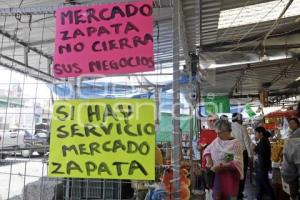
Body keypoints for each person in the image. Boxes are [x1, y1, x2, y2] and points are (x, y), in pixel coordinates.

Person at [204, 119, 244, 200]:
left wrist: (221, 166)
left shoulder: (236, 144)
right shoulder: (218, 140)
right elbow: (207, 149)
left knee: (230, 197)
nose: (217, 135)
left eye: (219, 133)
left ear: (226, 131)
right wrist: (209, 160)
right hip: (218, 176)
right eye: (217, 133)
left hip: (231, 178)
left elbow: (237, 162)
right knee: (217, 196)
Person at [231, 113, 253, 200]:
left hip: (231, 154)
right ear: (238, 119)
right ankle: (239, 193)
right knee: (241, 173)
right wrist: (250, 155)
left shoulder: (229, 127)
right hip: (242, 153)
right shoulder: (242, 127)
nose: (242, 120)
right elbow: (247, 142)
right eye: (241, 119)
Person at [253, 126, 276, 200]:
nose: (255, 134)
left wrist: (254, 147)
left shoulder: (264, 141)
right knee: (262, 183)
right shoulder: (263, 140)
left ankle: (272, 197)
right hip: (263, 165)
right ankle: (259, 197)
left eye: (256, 133)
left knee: (265, 184)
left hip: (263, 165)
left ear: (261, 133)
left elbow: (261, 152)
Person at [282, 117, 300, 200]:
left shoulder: (294, 136)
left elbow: (289, 156)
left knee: (293, 193)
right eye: (290, 123)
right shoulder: (291, 134)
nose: (291, 125)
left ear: (298, 124)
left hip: (294, 170)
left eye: (293, 123)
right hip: (294, 169)